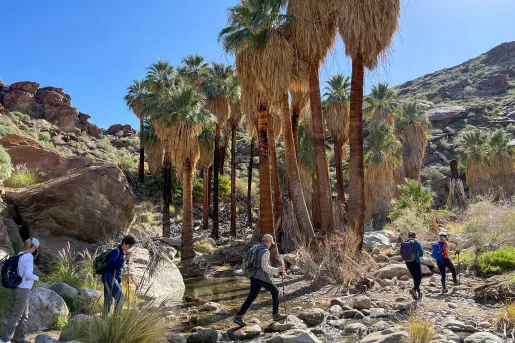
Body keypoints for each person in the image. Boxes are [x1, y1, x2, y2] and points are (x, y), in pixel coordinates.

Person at [234, 234, 286, 326]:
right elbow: (265, 267)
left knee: (251, 296)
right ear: (268, 242)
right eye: (271, 243)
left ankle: (238, 316)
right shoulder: (265, 251)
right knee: (275, 291)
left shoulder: (256, 247)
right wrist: (278, 270)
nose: (271, 245)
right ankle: (276, 314)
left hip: (253, 275)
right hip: (261, 277)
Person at [2, 237, 40, 343]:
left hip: (17, 288)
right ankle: (4, 339)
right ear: (34, 247)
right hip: (23, 289)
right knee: (17, 316)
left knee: (24, 315)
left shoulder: (20, 254)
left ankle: (19, 339)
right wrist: (37, 278)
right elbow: (28, 275)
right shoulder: (28, 256)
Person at [102, 235, 136, 318]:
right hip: (109, 277)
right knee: (120, 297)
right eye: (129, 245)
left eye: (131, 246)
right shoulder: (115, 252)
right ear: (124, 243)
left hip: (112, 278)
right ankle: (115, 319)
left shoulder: (121, 253)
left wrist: (119, 281)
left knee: (108, 300)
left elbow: (118, 271)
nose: (130, 248)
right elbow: (110, 264)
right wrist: (123, 260)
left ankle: (105, 318)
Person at [404, 232, 424, 300]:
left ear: (408, 236)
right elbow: (421, 254)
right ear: (414, 237)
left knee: (415, 277)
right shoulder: (417, 243)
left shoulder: (404, 243)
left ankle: (417, 293)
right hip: (416, 261)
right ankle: (414, 289)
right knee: (419, 277)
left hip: (407, 262)